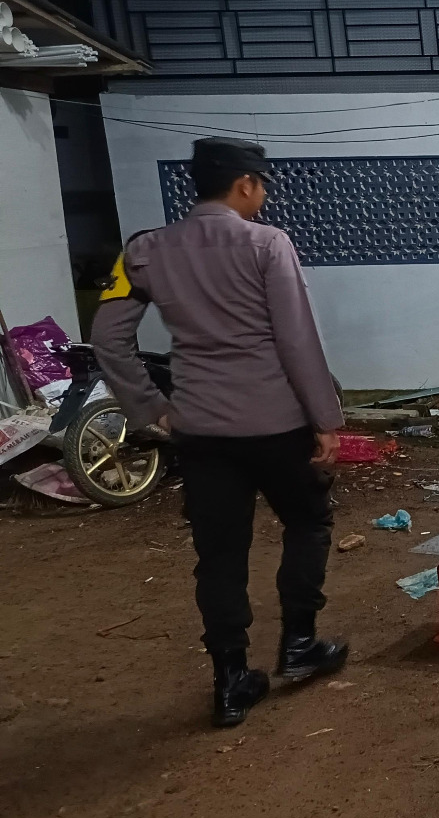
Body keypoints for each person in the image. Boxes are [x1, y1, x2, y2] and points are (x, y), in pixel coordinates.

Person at [92, 137, 348, 728]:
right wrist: (326, 419)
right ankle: (299, 644)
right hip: (276, 425)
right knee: (308, 522)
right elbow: (297, 340)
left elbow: (108, 337)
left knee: (220, 554)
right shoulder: (267, 244)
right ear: (244, 184)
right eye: (262, 185)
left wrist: (152, 408)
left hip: (201, 431)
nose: (263, 195)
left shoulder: (144, 251)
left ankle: (231, 682)